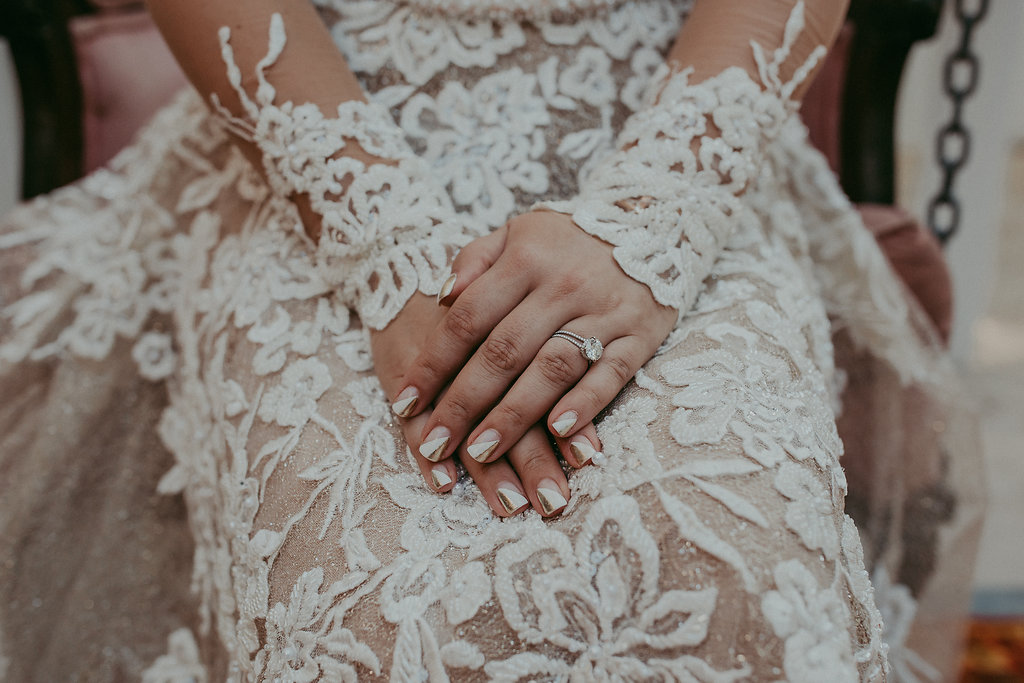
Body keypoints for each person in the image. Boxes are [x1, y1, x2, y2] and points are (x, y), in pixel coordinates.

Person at [0, 0, 980, 679]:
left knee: (748, 567)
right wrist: (380, 245)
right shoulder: (348, 191)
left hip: (675, 137)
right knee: (368, 609)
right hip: (322, 141)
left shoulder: (668, 188)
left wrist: (652, 223)